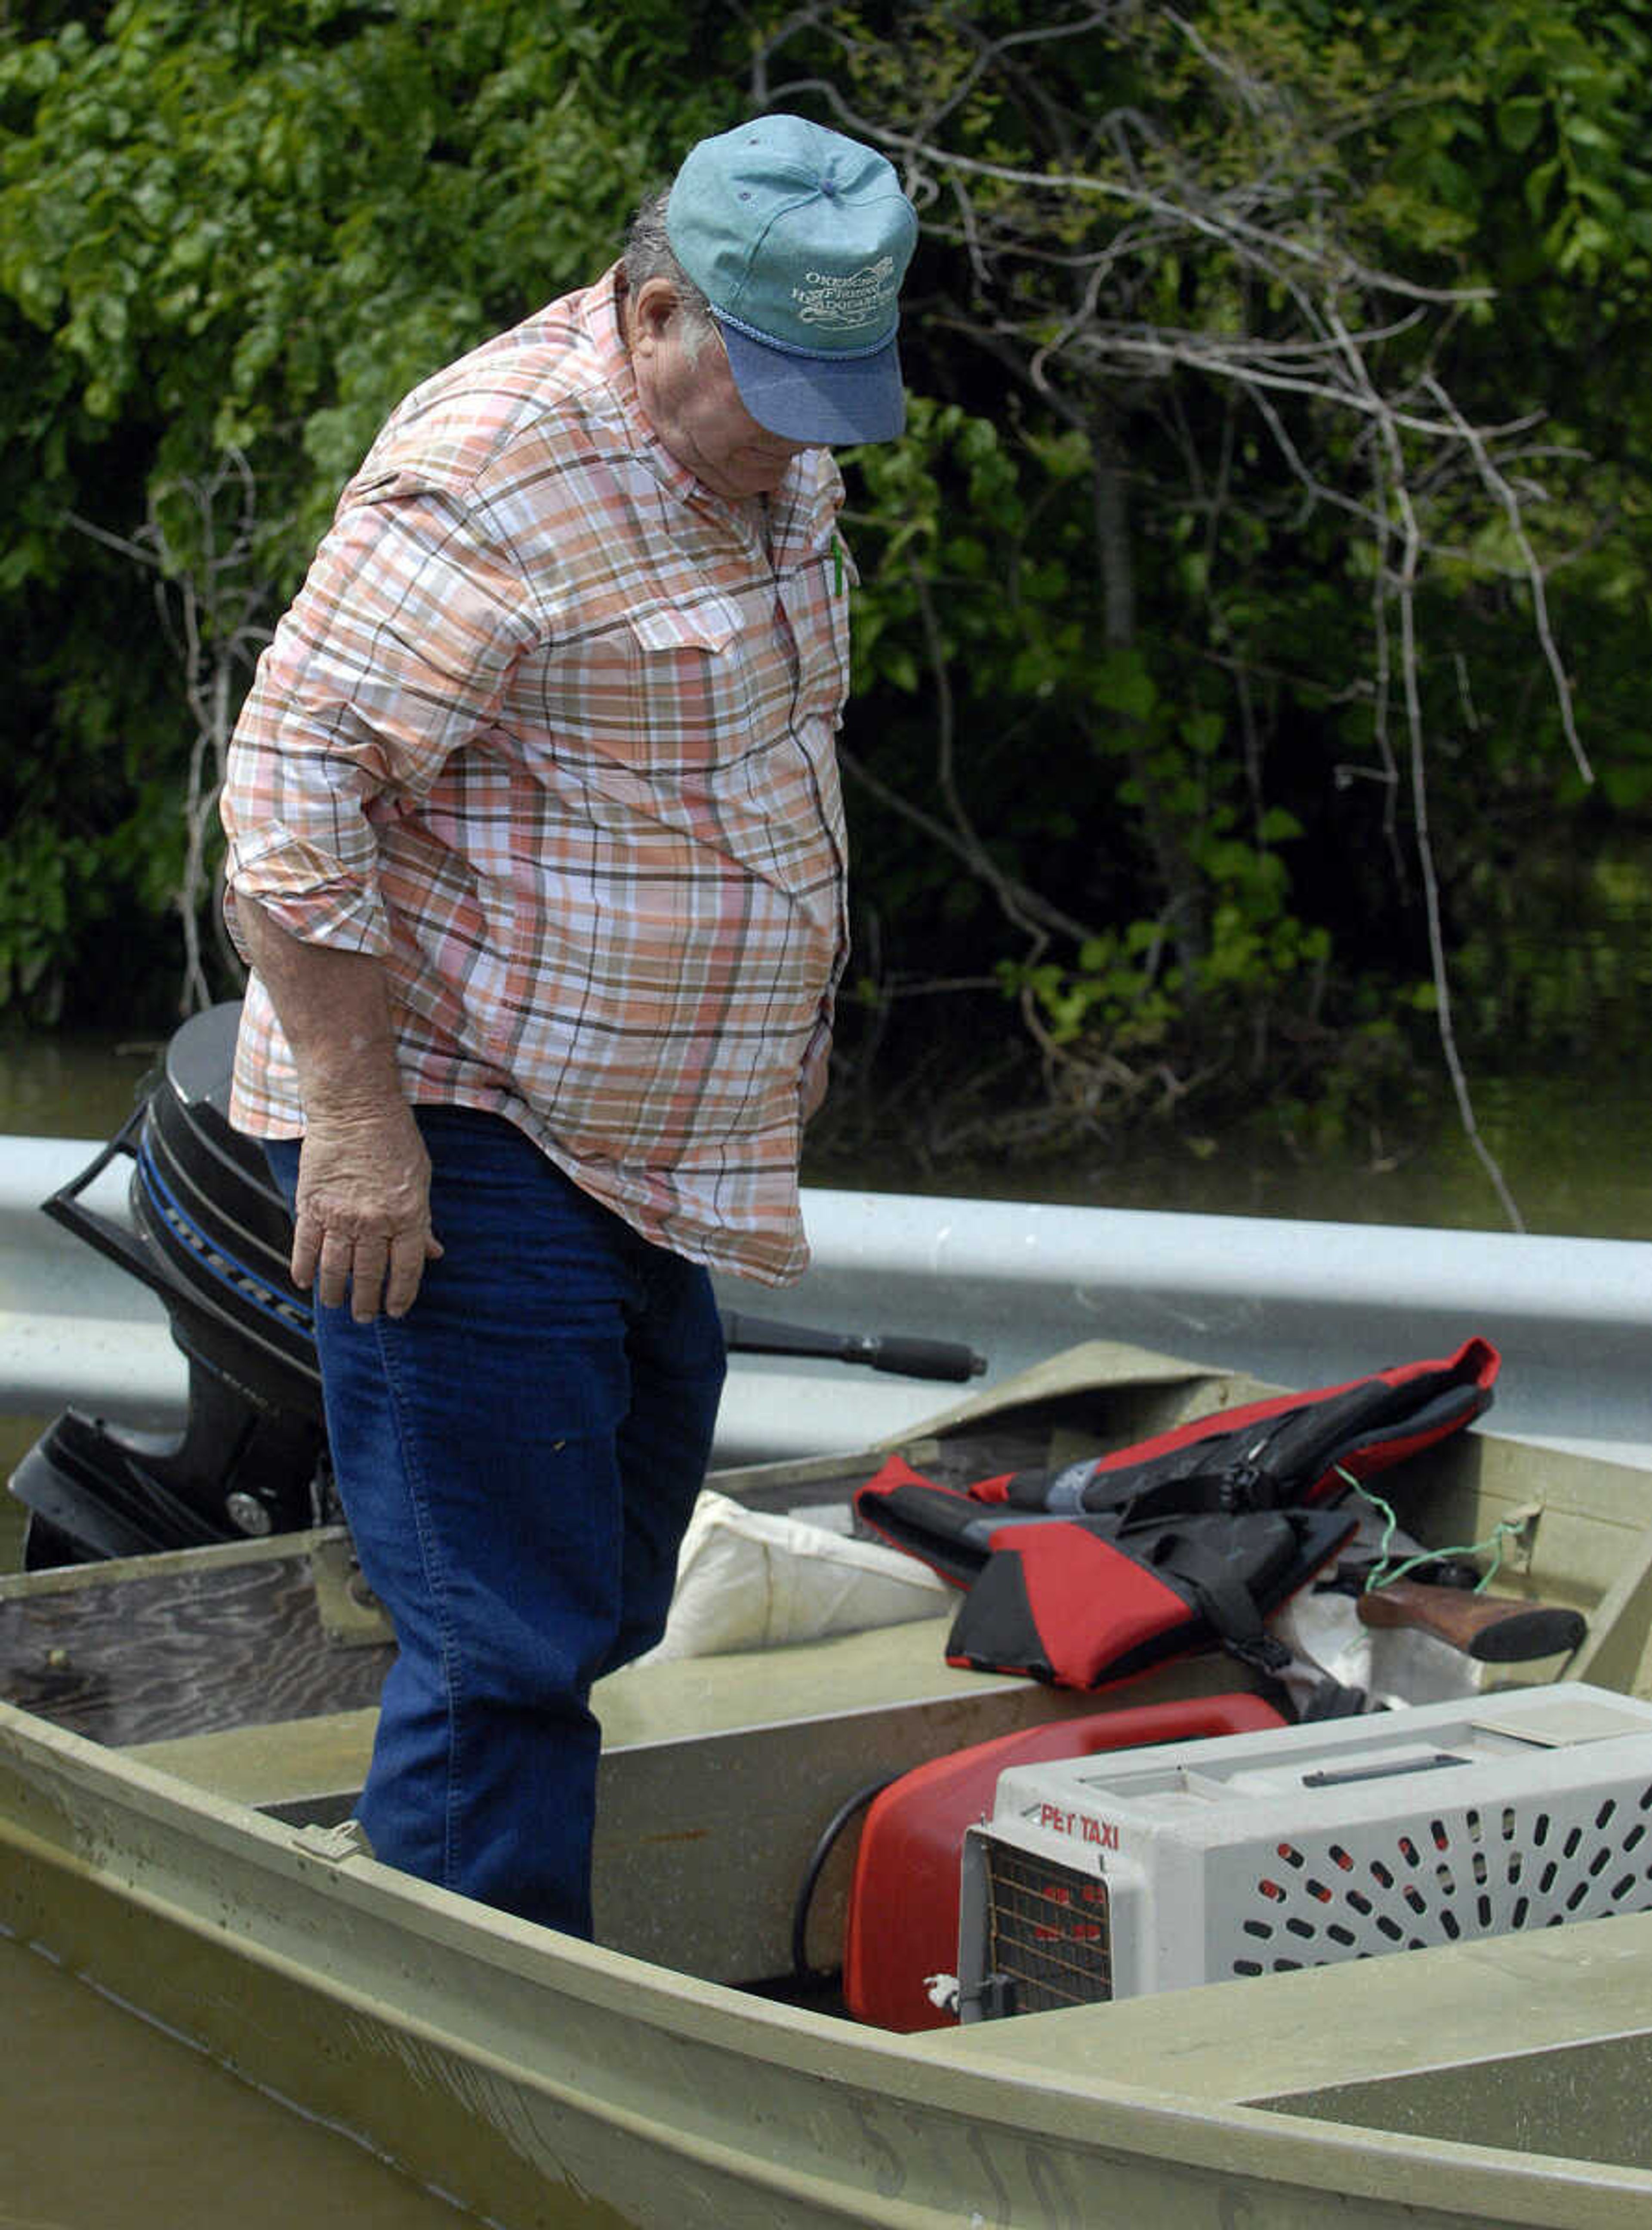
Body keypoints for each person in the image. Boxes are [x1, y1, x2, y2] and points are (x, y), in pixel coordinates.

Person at [219, 114, 918, 1935]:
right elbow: (289, 799)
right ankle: (470, 2047)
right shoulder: (491, 472)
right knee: (505, 1641)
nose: (798, 435)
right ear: (656, 307)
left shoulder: (776, 443)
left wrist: (791, 1012)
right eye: (765, 386)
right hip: (463, 1125)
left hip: (660, 1139)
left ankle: (421, 1896)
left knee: (598, 1595)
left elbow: (763, 747)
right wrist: (362, 1131)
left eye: (830, 393)